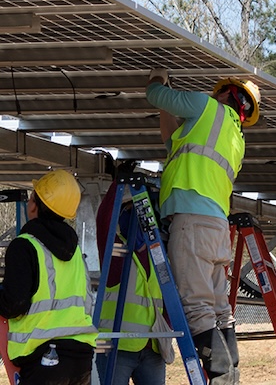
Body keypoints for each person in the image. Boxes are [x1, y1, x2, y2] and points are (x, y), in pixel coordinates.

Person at [145, 68, 261, 384]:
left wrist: (157, 79)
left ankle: (221, 377)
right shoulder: (236, 140)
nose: (214, 92)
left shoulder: (205, 107)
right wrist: (166, 105)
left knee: (196, 310)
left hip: (191, 224)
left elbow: (155, 95)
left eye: (219, 89)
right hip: (216, 230)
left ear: (227, 93)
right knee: (219, 311)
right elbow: (172, 142)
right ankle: (232, 373)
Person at [0, 169, 97, 385]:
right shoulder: (75, 254)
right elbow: (87, 301)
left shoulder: (25, 246)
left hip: (45, 360)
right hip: (80, 358)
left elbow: (13, 304)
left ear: (34, 204)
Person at [95, 159, 170, 385]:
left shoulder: (159, 254)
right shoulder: (117, 254)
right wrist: (117, 185)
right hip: (117, 348)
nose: (135, 216)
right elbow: (104, 223)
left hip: (154, 348)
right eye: (129, 209)